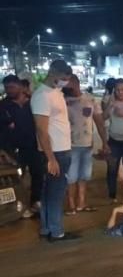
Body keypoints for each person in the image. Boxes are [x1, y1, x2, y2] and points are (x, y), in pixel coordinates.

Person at [31, 60, 79, 242]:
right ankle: (57, 232)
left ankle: (46, 228)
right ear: (52, 72)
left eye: (67, 79)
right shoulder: (42, 95)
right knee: (56, 194)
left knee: (48, 192)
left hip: (61, 150)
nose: (65, 82)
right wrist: (51, 158)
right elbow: (42, 130)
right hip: (54, 152)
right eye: (62, 78)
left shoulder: (55, 92)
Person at [64, 74, 109, 214]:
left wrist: (105, 142)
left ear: (76, 83)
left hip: (87, 145)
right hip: (69, 145)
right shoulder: (63, 101)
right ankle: (71, 206)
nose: (66, 86)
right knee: (71, 177)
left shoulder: (89, 100)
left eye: (68, 83)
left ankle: (81, 204)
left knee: (84, 175)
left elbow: (99, 123)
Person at [1, 75, 44, 218]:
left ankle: (35, 202)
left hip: (34, 147)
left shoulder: (33, 102)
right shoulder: (3, 106)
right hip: (13, 151)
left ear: (19, 86)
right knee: (17, 179)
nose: (9, 90)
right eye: (6, 88)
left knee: (38, 175)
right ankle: (18, 206)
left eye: (12, 87)